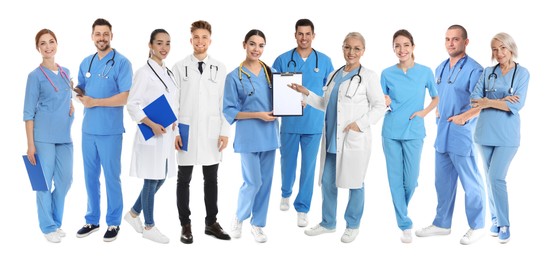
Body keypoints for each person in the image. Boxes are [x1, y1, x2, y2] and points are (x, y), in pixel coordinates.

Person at [290, 32, 387, 243]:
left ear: (363, 51)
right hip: (332, 139)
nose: (351, 52)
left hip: (353, 139)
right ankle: (328, 223)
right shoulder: (334, 74)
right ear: (342, 48)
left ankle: (352, 225)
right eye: (347, 47)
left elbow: (380, 106)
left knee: (355, 183)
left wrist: (360, 124)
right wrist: (305, 92)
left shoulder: (369, 76)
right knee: (327, 182)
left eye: (356, 48)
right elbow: (325, 103)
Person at [415, 24, 487, 245]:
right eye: (447, 39)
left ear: (466, 42)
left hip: (462, 134)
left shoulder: (475, 70)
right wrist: (438, 108)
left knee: (471, 183)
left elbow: (482, 104)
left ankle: (478, 225)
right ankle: (442, 223)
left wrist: (464, 118)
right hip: (442, 134)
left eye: (455, 39)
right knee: (443, 183)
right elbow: (441, 95)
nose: (451, 43)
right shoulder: (440, 68)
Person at [172, 20, 231, 244]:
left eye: (204, 37)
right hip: (185, 129)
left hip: (211, 131)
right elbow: (174, 101)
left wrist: (224, 131)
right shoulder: (179, 67)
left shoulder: (220, 67)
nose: (200, 41)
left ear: (210, 40)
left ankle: (211, 223)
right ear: (191, 40)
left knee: (211, 179)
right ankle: (185, 225)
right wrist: (175, 131)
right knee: (183, 179)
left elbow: (224, 103)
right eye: (196, 37)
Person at [75, 18, 133, 242]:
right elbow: (83, 85)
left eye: (105, 34)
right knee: (90, 177)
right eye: (98, 34)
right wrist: (76, 90)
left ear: (111, 35)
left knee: (111, 177)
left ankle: (113, 222)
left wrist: (95, 102)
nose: (101, 38)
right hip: (88, 130)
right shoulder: (86, 62)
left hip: (110, 131)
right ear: (92, 36)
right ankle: (92, 220)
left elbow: (125, 97)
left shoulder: (121, 63)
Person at [272, 18, 334, 227]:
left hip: (314, 124)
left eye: (308, 34)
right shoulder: (282, 60)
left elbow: (330, 93)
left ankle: (303, 207)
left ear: (313, 36)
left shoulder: (324, 62)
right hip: (289, 123)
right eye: (300, 34)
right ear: (295, 35)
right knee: (287, 163)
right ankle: (285, 193)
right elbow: (273, 88)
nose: (304, 38)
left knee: (308, 167)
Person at [469, 32, 529, 244]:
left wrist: (490, 101)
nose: (499, 53)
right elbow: (474, 100)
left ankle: (504, 223)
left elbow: (516, 105)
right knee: (489, 179)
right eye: (495, 49)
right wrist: (499, 100)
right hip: (484, 134)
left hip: (507, 136)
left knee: (496, 178)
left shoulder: (522, 73)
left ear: (511, 48)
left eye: (502, 48)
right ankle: (494, 219)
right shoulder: (487, 72)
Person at [380, 29, 439, 244]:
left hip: (414, 130)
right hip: (391, 131)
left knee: (411, 181)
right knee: (395, 179)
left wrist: (423, 112)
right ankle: (404, 223)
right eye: (397, 45)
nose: (401, 49)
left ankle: (400, 211)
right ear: (393, 48)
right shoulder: (386, 73)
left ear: (413, 47)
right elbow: (379, 101)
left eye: (405, 45)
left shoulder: (425, 72)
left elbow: (436, 97)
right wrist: (384, 100)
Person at [223, 29, 279, 243]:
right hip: (248, 135)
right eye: (253, 44)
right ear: (244, 44)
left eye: (261, 45)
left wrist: (295, 103)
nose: (257, 49)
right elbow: (229, 111)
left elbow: (283, 101)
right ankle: (239, 217)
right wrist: (257, 115)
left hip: (269, 135)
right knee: (253, 182)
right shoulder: (234, 77)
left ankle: (257, 224)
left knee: (265, 183)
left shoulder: (271, 73)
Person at [123, 29, 177, 244]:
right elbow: (132, 104)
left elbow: (172, 100)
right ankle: (149, 226)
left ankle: (134, 213)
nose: (164, 48)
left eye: (167, 43)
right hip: (151, 134)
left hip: (166, 134)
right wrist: (152, 124)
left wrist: (173, 121)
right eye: (160, 43)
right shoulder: (143, 72)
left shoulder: (169, 72)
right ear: (150, 45)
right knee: (151, 178)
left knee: (160, 176)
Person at [23, 29, 75, 243]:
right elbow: (28, 112)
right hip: (42, 136)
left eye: (51, 42)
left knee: (65, 180)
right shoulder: (34, 76)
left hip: (64, 135)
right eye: (43, 43)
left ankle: (55, 221)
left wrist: (70, 105)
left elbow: (66, 95)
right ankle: (48, 226)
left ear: (57, 43)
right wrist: (30, 145)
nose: (48, 47)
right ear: (38, 48)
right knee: (43, 183)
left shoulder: (65, 72)